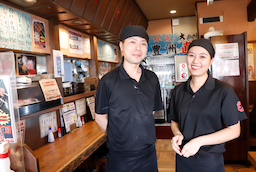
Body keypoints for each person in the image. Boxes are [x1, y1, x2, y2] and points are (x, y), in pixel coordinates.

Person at [169, 38, 247, 172]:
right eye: (191, 55)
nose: (195, 61)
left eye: (202, 56)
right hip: (183, 157)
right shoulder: (178, 91)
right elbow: (174, 122)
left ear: (211, 61)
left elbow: (234, 131)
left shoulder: (223, 91)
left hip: (209, 161)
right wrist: (177, 135)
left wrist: (199, 142)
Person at [95, 25, 163, 172]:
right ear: (121, 46)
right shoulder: (107, 81)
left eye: (143, 43)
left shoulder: (152, 78)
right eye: (132, 42)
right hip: (120, 157)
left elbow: (149, 112)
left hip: (148, 154)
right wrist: (118, 135)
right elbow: (99, 116)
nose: (138, 48)